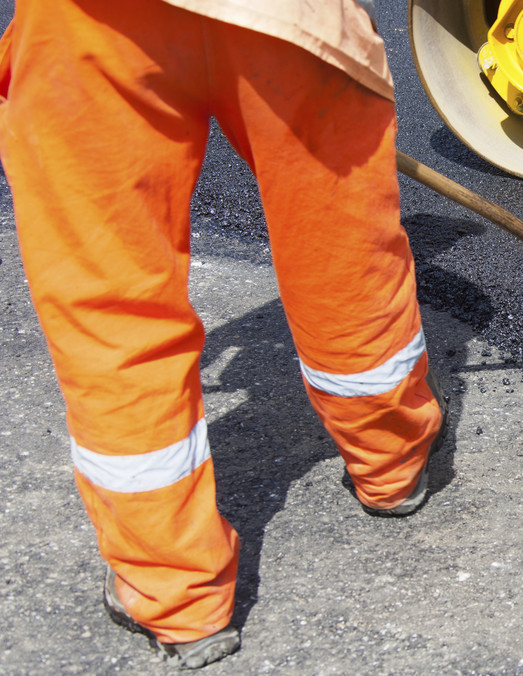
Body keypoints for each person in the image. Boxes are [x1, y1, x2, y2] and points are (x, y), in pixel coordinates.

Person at [0, 0, 443, 668]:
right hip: (289, 21)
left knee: (112, 306)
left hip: (89, 27)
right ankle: (391, 467)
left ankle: (176, 596)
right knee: (342, 255)